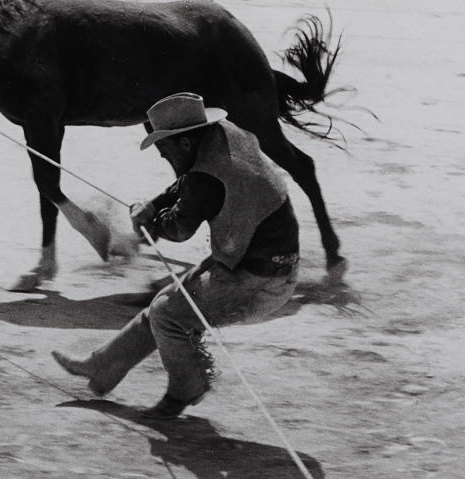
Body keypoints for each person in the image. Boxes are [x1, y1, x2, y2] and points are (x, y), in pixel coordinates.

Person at [51, 92, 300, 419]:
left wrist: (147, 221)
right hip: (259, 257)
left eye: (164, 150)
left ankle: (186, 390)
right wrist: (153, 205)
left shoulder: (204, 178)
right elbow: (186, 183)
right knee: (166, 305)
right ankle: (102, 367)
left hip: (262, 278)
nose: (163, 158)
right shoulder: (222, 136)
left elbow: (179, 229)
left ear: (183, 144)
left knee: (167, 314)